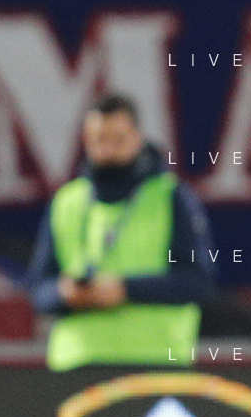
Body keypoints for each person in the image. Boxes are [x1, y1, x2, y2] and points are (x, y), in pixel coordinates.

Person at [26, 93, 215, 371]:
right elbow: (38, 289)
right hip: (76, 364)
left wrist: (124, 289)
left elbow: (198, 282)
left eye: (118, 139)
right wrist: (66, 293)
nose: (107, 149)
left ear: (138, 138)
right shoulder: (67, 202)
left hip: (156, 363)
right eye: (99, 140)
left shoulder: (170, 197)